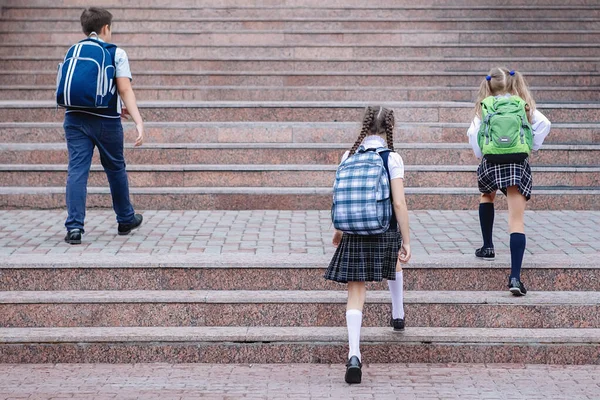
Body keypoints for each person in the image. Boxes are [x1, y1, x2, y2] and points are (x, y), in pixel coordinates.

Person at [325, 106, 411, 384]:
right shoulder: (392, 158)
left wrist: (339, 230)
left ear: (364, 127)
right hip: (384, 229)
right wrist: (406, 240)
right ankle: (397, 314)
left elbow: (344, 197)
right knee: (395, 258)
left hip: (354, 231)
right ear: (389, 128)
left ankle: (354, 355)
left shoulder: (349, 155)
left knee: (355, 294)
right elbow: (398, 202)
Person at [62, 7, 144, 244]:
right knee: (115, 168)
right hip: (107, 121)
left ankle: (75, 228)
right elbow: (124, 88)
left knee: (77, 171)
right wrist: (139, 121)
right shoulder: (116, 52)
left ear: (84, 29)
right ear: (106, 27)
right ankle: (125, 218)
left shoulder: (73, 51)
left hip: (74, 119)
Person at [467, 67, 551, 295]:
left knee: (486, 195)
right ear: (513, 85)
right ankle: (515, 278)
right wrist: (531, 145)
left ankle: (488, 246)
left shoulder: (485, 107)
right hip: (516, 162)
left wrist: (482, 152)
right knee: (516, 221)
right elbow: (545, 124)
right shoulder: (521, 104)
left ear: (489, 86)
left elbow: (474, 135)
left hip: (491, 160)